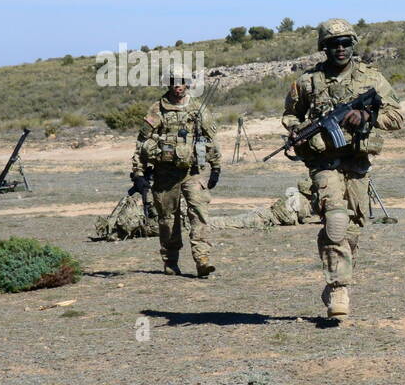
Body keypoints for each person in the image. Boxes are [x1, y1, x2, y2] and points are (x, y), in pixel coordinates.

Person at [282, 19, 403, 318]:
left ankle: (337, 279)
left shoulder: (371, 78)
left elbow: (397, 117)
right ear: (324, 48)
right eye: (334, 44)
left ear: (353, 45)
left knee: (351, 232)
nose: (340, 49)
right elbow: (289, 115)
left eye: (345, 43)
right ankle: (339, 288)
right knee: (335, 221)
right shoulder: (308, 82)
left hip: (357, 163)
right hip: (324, 163)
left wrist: (365, 117)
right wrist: (296, 130)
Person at [130, 67, 221, 277]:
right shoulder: (157, 109)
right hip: (165, 174)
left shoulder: (198, 108)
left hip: (192, 172)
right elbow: (142, 143)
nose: (177, 85)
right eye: (173, 81)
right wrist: (139, 174)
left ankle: (202, 260)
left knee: (199, 214)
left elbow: (211, 139)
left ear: (187, 83)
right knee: (168, 219)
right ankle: (171, 261)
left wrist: (216, 166)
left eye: (181, 81)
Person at [210, 179, 318, 229]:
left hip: (265, 215)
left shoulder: (297, 195)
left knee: (234, 220)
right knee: (232, 222)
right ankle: (206, 223)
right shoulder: (300, 200)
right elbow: (304, 218)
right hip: (263, 218)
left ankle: (207, 221)